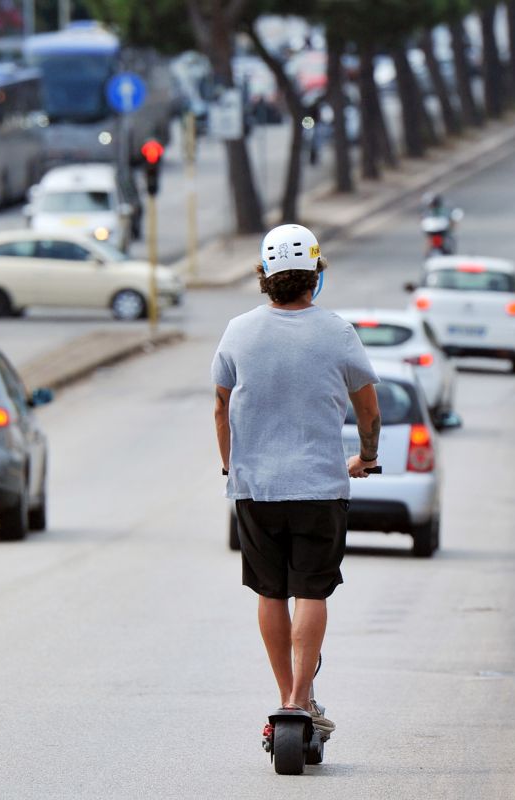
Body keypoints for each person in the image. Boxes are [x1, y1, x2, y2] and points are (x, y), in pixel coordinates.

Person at [211, 223, 381, 740]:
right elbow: (368, 408)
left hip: (256, 488)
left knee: (269, 591)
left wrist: (229, 463)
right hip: (319, 488)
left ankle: (284, 697)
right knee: (311, 589)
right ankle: (302, 700)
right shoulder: (337, 332)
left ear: (265, 275)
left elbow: (221, 405)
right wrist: (365, 456)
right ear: (315, 275)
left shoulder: (238, 330)